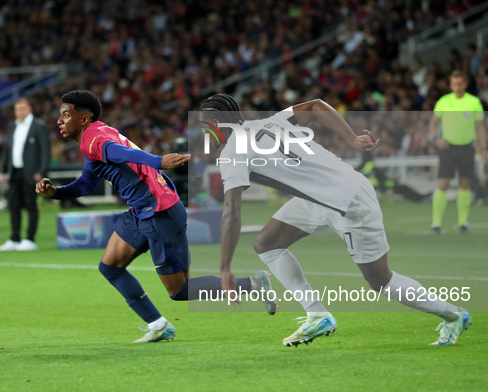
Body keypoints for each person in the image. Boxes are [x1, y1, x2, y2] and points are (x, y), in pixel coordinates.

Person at [200, 93, 471, 347]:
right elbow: (316, 106)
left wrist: (224, 268)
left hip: (347, 202)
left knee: (380, 280)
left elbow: (231, 213)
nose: (203, 131)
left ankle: (454, 315)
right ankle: (317, 315)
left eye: (203, 125)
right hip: (320, 197)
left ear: (215, 123)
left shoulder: (232, 153)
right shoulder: (270, 121)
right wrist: (352, 138)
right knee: (266, 243)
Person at [36, 90, 276, 343]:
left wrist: (158, 161)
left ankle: (253, 284)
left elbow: (119, 153)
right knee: (110, 267)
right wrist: (55, 192)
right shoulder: (97, 134)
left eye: (65, 114)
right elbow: (86, 184)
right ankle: (159, 325)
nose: (59, 120)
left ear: (84, 119)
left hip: (158, 213)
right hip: (144, 210)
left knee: (180, 290)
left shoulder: (94, 139)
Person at [428, 70, 487, 234]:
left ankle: (463, 223)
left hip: (467, 147)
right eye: (454, 84)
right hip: (448, 147)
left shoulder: (474, 102)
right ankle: (436, 223)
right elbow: (433, 123)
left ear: (465, 84)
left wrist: (483, 149)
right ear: (451, 84)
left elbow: (481, 127)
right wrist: (436, 138)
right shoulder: (444, 101)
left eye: (460, 84)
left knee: (464, 183)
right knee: (443, 183)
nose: (457, 87)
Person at [0, 98, 50, 251]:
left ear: (29, 109)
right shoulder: (12, 126)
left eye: (22, 109)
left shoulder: (38, 126)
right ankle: (14, 238)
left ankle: (30, 239)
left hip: (31, 173)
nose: (20, 112)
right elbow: (8, 150)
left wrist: (41, 172)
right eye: (17, 109)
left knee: (31, 205)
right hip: (15, 172)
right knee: (13, 206)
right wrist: (3, 170)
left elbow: (45, 151)